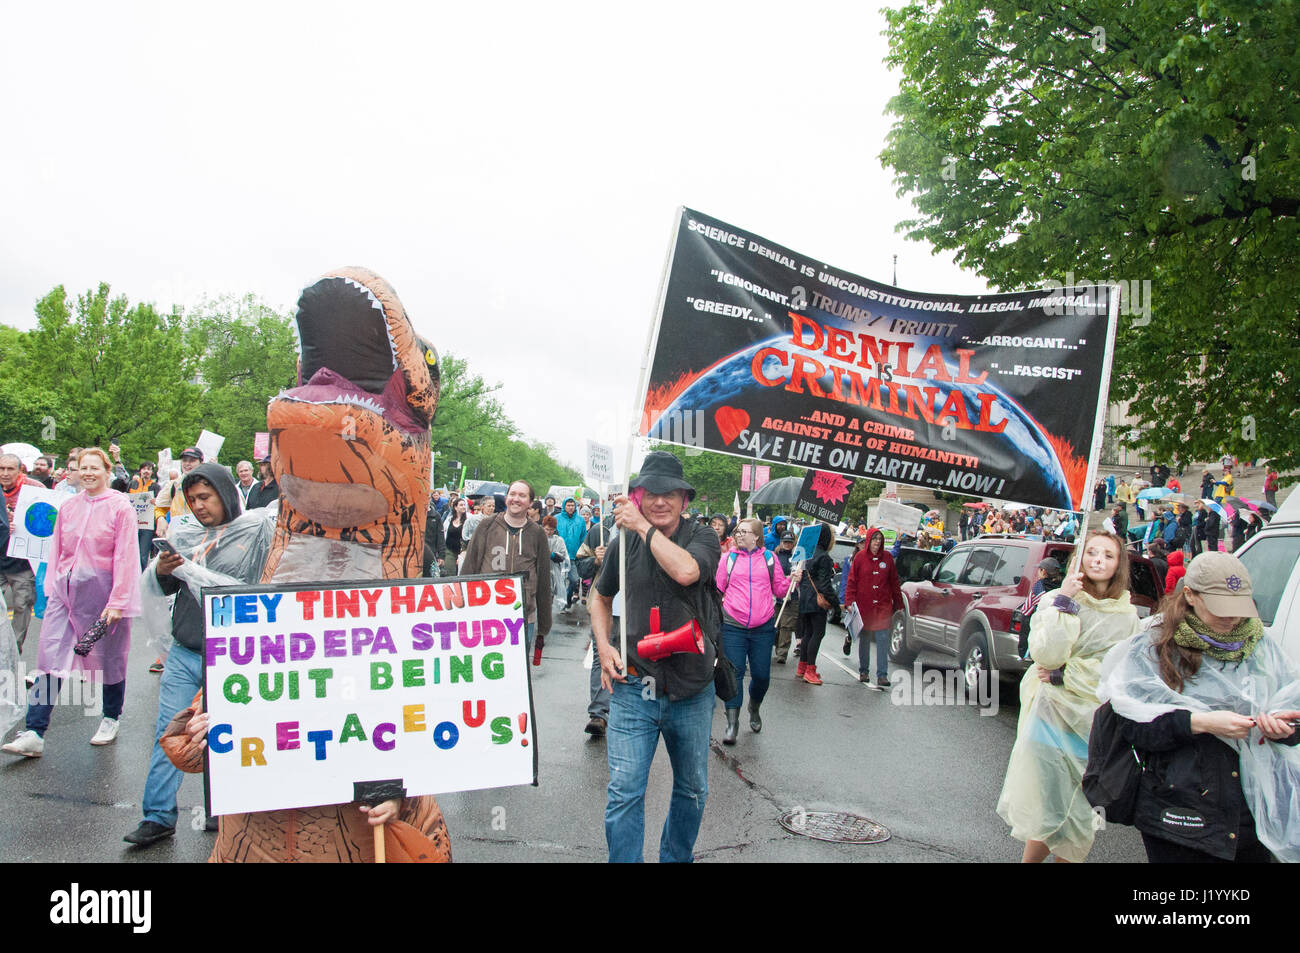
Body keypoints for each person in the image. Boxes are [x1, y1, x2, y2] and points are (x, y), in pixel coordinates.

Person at [1098, 552, 1300, 862]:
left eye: (1238, 606)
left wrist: (1284, 729)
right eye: (1221, 607)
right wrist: (1200, 723)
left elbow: (1291, 712)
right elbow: (1132, 725)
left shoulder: (1260, 646)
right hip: (1181, 815)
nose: (1231, 618)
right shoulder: (1153, 646)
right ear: (1190, 595)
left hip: (1250, 811)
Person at [123, 463, 273, 847]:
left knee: (225, 736)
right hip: (187, 649)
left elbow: (262, 587)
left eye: (205, 497)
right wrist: (164, 570)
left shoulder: (255, 532)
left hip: (232, 654)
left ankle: (221, 812)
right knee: (170, 733)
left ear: (224, 494)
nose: (198, 506)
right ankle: (157, 816)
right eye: (191, 500)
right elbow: (169, 587)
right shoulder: (186, 533)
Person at [589, 451, 721, 863]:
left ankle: (674, 857)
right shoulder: (622, 543)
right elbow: (599, 595)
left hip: (692, 689)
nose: (660, 501)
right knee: (625, 790)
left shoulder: (705, 537)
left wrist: (642, 527)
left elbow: (686, 572)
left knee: (692, 788)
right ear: (638, 496)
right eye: (651, 493)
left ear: (684, 500)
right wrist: (604, 644)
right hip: (633, 687)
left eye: (670, 493)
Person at [995, 530, 1140, 862]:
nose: (1098, 560)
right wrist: (1066, 603)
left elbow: (1118, 673)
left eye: (1108, 555)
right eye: (1092, 552)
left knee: (1080, 815)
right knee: (1048, 811)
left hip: (1093, 728)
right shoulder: (1056, 599)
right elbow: (1045, 653)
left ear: (1119, 564)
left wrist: (1067, 673)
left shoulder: (1127, 616)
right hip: (1048, 720)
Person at [3, 448, 142, 757]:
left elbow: (126, 555)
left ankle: (110, 716)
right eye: (83, 467)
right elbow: (56, 549)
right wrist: (51, 587)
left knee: (109, 657)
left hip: (104, 596)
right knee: (49, 656)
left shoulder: (120, 507)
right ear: (76, 471)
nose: (89, 472)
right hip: (65, 595)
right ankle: (35, 731)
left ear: (107, 471)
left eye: (95, 467)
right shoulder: (68, 506)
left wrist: (118, 600)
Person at [715, 517, 795, 743]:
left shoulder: (770, 559)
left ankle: (754, 706)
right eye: (738, 531)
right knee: (734, 673)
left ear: (757, 536)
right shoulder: (727, 559)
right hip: (733, 626)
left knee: (761, 675)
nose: (738, 535)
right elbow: (718, 588)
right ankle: (732, 723)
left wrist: (792, 580)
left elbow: (779, 590)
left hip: (763, 627)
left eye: (744, 531)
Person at [461, 480, 552, 665]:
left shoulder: (537, 534)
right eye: (512, 494)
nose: (516, 499)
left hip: (523, 617)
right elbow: (469, 568)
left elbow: (543, 579)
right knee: (486, 668)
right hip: (487, 615)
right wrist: (462, 612)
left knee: (517, 671)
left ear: (530, 502)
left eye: (522, 495)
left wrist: (544, 625)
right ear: (506, 497)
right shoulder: (486, 526)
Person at [843, 527, 903, 687]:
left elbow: (894, 582)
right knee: (865, 639)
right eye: (875, 539)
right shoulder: (860, 558)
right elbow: (851, 582)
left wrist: (899, 603)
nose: (877, 542)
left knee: (883, 639)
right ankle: (864, 671)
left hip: (883, 606)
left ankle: (882, 674)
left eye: (879, 539)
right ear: (869, 540)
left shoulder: (888, 558)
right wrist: (849, 602)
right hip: (864, 606)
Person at [1, 453, 42, 651]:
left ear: (20, 470)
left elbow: (50, 518)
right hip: (0, 558)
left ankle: (13, 652)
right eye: (1, 469)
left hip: (22, 562)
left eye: (10, 469)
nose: (5, 473)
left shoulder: (34, 488)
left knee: (21, 605)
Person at [794, 524, 837, 686]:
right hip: (817, 601)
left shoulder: (806, 552)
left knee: (807, 634)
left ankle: (802, 666)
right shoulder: (824, 557)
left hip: (805, 598)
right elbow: (825, 585)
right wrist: (834, 602)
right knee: (817, 634)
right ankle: (810, 670)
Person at [771, 532, 799, 664]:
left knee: (786, 627)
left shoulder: (798, 557)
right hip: (776, 596)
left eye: (790, 542)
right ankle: (774, 645)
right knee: (775, 624)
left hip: (792, 596)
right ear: (781, 542)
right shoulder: (775, 556)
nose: (788, 544)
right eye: (785, 542)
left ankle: (782, 653)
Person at [555, 498, 586, 608]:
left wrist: (582, 552)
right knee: (561, 581)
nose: (571, 507)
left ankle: (568, 596)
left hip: (574, 555)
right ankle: (563, 602)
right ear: (564, 506)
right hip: (560, 555)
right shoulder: (557, 519)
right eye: (568, 505)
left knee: (574, 580)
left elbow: (583, 537)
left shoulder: (580, 520)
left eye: (573, 505)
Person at [442, 496, 468, 576]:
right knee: (449, 571)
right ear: (455, 507)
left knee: (461, 573)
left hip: (463, 551)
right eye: (461, 505)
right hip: (449, 549)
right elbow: (443, 533)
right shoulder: (449, 520)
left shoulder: (468, 520)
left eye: (464, 505)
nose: (463, 507)